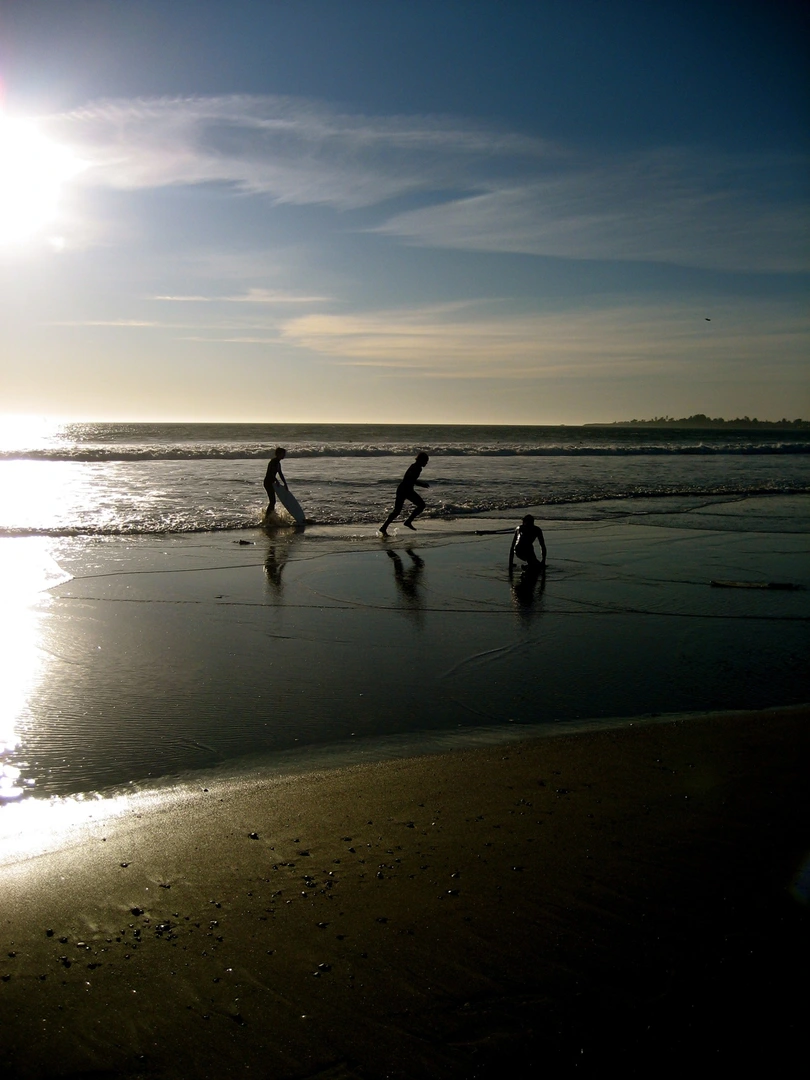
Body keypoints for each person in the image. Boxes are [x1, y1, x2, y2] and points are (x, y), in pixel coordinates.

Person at [379, 452, 430, 535]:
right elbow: (409, 479)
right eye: (426, 461)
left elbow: (410, 479)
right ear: (421, 460)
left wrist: (420, 484)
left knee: (397, 511)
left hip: (404, 489)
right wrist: (421, 484)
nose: (426, 463)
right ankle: (408, 521)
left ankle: (384, 527)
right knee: (421, 505)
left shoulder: (416, 467)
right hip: (405, 490)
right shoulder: (416, 467)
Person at [263, 447, 288, 516]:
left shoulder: (278, 463)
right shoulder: (273, 462)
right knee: (272, 501)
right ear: (279, 454)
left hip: (271, 483)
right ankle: (267, 517)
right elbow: (270, 473)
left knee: (273, 501)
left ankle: (271, 515)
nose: (284, 455)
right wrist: (276, 480)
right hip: (268, 482)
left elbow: (280, 474)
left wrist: (285, 484)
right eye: (283, 454)